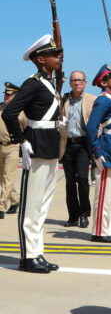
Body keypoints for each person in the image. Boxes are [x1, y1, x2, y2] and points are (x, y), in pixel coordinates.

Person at [2, 34, 64, 273]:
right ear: (40, 59)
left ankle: (37, 253)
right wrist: (22, 140)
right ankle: (27, 257)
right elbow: (9, 113)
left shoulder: (47, 82)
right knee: (30, 206)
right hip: (36, 146)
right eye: (53, 54)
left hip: (49, 147)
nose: (58, 57)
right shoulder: (33, 83)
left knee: (42, 206)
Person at [86, 65, 111, 243]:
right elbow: (91, 128)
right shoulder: (103, 100)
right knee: (103, 193)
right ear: (103, 82)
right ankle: (99, 231)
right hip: (108, 149)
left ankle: (107, 229)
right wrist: (96, 151)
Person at [60, 70, 96, 228]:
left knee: (82, 178)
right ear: (70, 83)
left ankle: (84, 214)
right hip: (67, 145)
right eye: (74, 80)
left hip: (82, 145)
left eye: (80, 80)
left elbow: (97, 124)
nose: (77, 83)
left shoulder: (92, 100)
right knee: (69, 183)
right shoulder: (63, 100)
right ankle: (73, 216)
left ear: (85, 83)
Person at [0, 82, 26, 219]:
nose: (6, 96)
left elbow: (26, 127)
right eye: (5, 94)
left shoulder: (21, 112)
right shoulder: (0, 108)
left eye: (9, 94)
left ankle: (0, 207)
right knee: (1, 179)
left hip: (12, 147)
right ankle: (15, 201)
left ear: (16, 96)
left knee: (8, 178)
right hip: (0, 146)